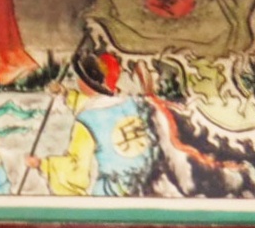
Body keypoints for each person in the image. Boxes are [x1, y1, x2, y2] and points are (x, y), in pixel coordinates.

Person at [32, 47, 161, 197]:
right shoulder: (132, 103)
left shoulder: (87, 120)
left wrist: (43, 164)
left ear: (83, 82)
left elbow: (78, 171)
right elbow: (93, 104)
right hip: (149, 184)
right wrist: (64, 93)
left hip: (112, 191)